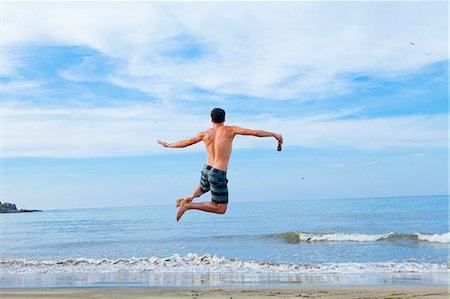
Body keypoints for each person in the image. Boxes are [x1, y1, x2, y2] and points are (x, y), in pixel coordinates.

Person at [157, 108, 283, 221]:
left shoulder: (205, 133)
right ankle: (188, 205)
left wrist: (167, 144)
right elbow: (255, 132)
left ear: (211, 119)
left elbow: (185, 143)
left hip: (206, 168)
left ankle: (189, 197)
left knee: (203, 188)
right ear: (224, 118)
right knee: (221, 209)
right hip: (218, 172)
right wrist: (274, 135)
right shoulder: (230, 129)